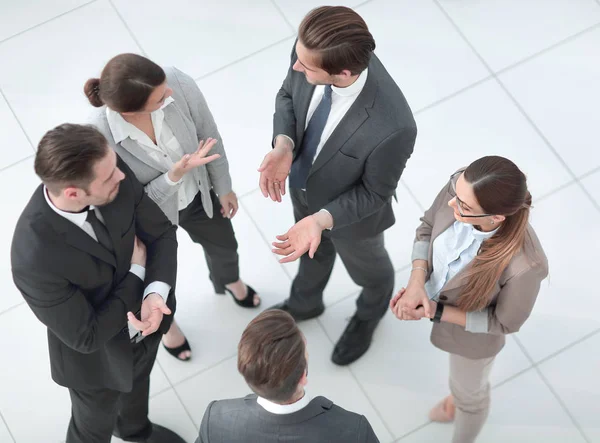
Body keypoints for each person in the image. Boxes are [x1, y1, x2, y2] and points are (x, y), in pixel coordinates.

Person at [259, 6, 417, 365]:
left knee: (372, 275)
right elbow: (287, 93)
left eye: (306, 67)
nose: (297, 67)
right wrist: (284, 145)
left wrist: (321, 219)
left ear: (343, 73)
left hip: (353, 218)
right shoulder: (310, 51)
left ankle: (367, 317)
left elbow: (374, 193)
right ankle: (305, 304)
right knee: (311, 255)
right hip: (303, 188)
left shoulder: (393, 125)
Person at [11, 124, 185, 443]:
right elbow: (87, 335)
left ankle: (134, 430)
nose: (121, 175)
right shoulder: (32, 258)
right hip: (96, 363)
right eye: (109, 177)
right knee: (92, 428)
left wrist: (155, 292)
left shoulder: (109, 169)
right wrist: (136, 273)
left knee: (137, 385)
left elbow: (160, 233)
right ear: (74, 193)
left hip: (148, 324)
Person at [85, 53, 260, 362]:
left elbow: (210, 136)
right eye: (159, 98)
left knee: (225, 247)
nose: (170, 95)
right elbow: (130, 203)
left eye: (164, 88)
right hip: (149, 217)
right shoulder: (101, 139)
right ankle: (169, 328)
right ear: (129, 110)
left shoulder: (175, 81)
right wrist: (174, 175)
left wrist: (223, 187)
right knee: (158, 280)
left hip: (197, 195)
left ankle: (230, 282)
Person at [390, 156, 548, 443]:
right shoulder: (463, 187)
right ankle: (455, 400)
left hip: (473, 337)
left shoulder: (526, 266)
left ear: (496, 217)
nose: (452, 204)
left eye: (463, 206)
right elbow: (426, 226)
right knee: (459, 388)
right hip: (441, 304)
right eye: (456, 194)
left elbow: (503, 324)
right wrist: (417, 282)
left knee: (469, 396)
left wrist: (434, 312)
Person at [195, 309, 380, 442]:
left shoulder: (216, 419)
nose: (305, 341)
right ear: (302, 378)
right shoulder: (354, 430)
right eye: (303, 346)